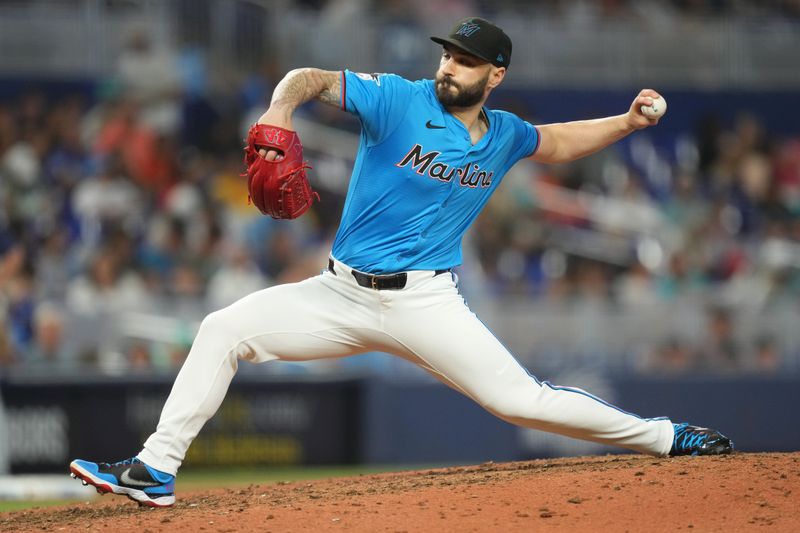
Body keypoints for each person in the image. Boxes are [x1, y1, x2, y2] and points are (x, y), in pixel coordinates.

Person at [69, 17, 733, 508]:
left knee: (519, 400)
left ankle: (665, 436)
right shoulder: (399, 97)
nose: (450, 67)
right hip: (338, 294)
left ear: (495, 76)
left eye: (467, 62)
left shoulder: (502, 136)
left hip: (425, 303)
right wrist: (280, 106)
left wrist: (626, 122)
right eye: (448, 54)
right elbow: (310, 78)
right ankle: (155, 467)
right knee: (222, 327)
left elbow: (557, 142)